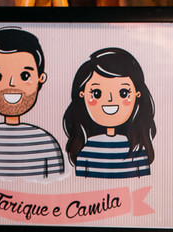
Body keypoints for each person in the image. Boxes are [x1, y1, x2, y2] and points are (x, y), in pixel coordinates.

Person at [0, 27, 64, 180]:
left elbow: (56, 188)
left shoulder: (46, 144)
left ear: (40, 78)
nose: (11, 84)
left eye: (24, 75)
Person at [63, 47, 156, 179]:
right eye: (97, 93)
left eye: (123, 93)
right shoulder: (86, 151)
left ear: (137, 94)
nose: (110, 100)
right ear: (82, 94)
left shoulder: (138, 151)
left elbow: (145, 183)